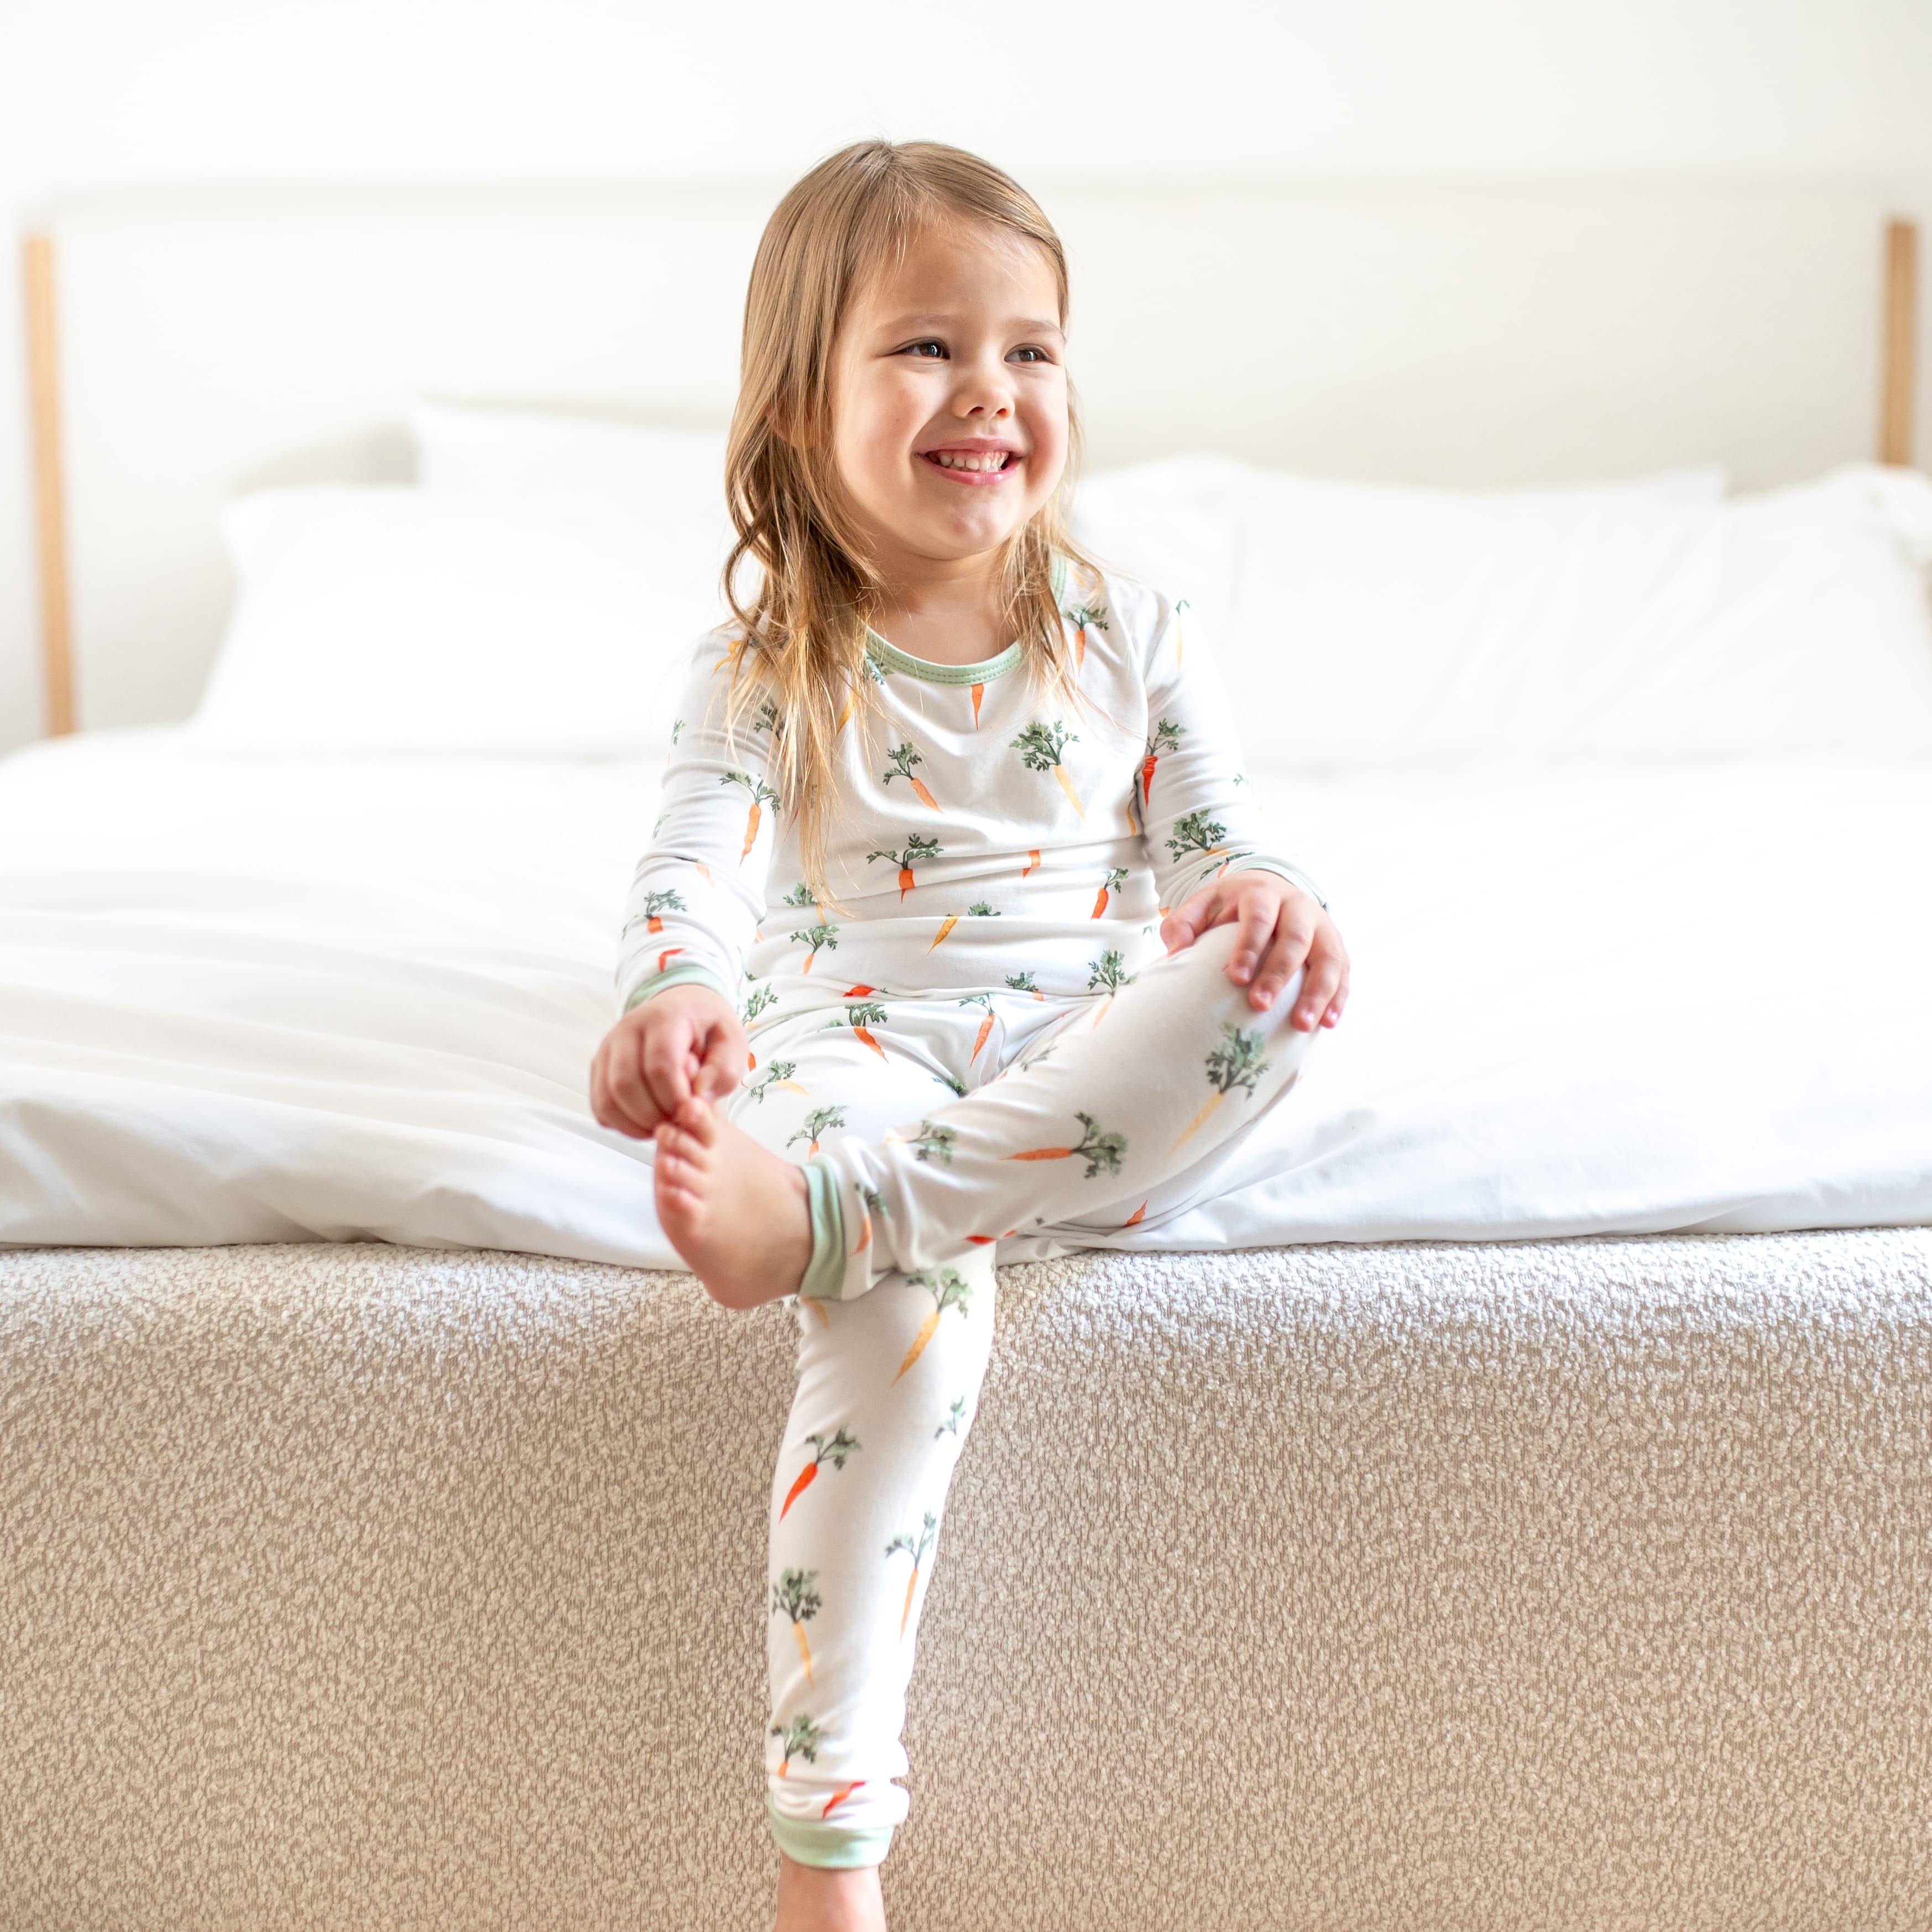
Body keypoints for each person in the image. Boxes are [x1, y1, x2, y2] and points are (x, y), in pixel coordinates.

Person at [588, 138, 1350, 1932]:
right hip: (858, 1047)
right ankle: (825, 1852)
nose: (990, 390)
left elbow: (1220, 843)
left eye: (1031, 349)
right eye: (927, 346)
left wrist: (1261, 898)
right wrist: (674, 996)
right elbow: (692, 867)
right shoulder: (773, 665)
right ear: (798, 404)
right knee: (913, 1325)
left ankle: (848, 1214)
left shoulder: (1134, 631)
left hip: (1076, 1070)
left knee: (1284, 990)